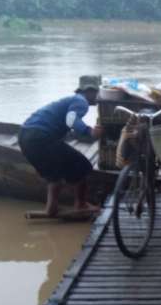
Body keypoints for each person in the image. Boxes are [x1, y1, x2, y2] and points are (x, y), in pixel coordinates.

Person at [18, 76, 103, 217]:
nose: (99, 98)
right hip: (40, 137)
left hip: (25, 136)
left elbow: (66, 124)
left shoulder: (71, 100)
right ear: (90, 91)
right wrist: (90, 131)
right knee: (82, 165)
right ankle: (80, 204)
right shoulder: (81, 101)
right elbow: (71, 120)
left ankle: (51, 209)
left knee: (54, 174)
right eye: (98, 93)